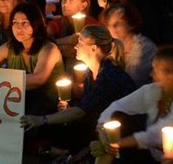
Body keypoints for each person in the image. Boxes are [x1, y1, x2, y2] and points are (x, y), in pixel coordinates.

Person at [20, 26, 136, 157]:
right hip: (99, 126)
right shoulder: (89, 73)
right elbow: (86, 107)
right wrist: (69, 108)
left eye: (80, 42)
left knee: (54, 125)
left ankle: (67, 153)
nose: (76, 46)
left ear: (94, 48)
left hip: (121, 134)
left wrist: (42, 120)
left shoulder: (109, 75)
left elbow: (81, 112)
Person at [92, 47, 173, 164]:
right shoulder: (151, 91)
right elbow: (115, 107)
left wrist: (115, 144)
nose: (170, 76)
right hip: (152, 154)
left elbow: (154, 135)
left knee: (109, 145)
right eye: (163, 70)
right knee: (117, 119)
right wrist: (103, 134)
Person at [0, 2, 63, 114]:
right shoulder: (10, 47)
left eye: (25, 23)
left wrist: (2, 81)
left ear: (36, 24)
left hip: (46, 107)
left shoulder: (49, 49)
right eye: (15, 22)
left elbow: (39, 79)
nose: (18, 27)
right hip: (18, 102)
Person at [102, 3, 157, 87]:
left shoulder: (145, 49)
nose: (113, 28)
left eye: (118, 24)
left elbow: (133, 81)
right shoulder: (109, 47)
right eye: (109, 24)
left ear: (130, 24)